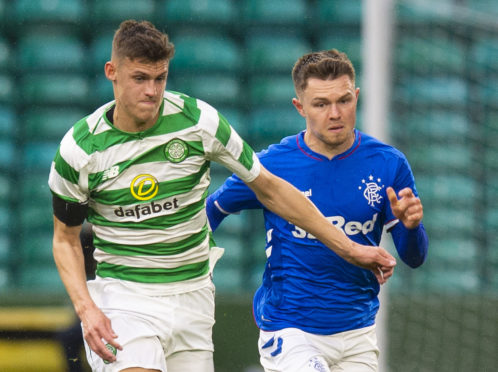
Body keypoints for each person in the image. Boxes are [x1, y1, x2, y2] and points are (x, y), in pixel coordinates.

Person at [49, 21, 396, 372]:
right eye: (140, 78)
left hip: (193, 296)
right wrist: (86, 307)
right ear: (112, 72)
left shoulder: (199, 122)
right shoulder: (80, 150)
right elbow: (64, 239)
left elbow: (271, 188)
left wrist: (349, 248)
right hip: (125, 297)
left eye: (160, 78)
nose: (152, 91)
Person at [206, 49, 429, 372]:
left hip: (359, 333)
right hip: (291, 328)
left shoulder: (388, 163)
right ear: (300, 107)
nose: (335, 113)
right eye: (321, 104)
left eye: (343, 101)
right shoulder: (271, 165)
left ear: (356, 96)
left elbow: (414, 257)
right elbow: (212, 210)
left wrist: (410, 226)